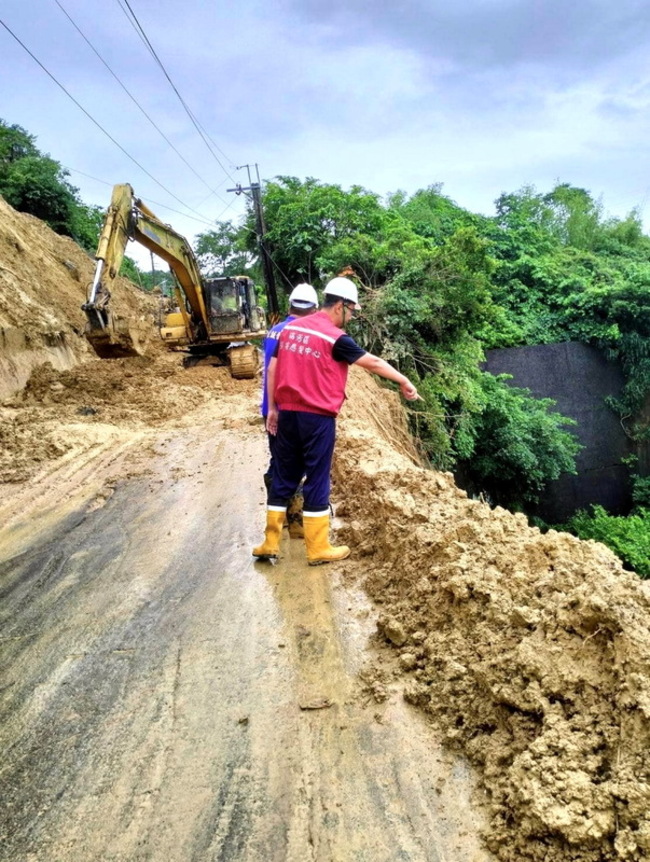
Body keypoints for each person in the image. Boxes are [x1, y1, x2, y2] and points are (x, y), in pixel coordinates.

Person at [253, 276, 420, 565]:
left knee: (283, 475)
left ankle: (270, 542)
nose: (352, 317)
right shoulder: (334, 337)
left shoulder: (290, 330)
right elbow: (374, 363)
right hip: (316, 417)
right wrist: (404, 381)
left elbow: (273, 367)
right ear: (340, 306)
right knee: (317, 476)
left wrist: (274, 409)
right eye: (352, 311)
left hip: (287, 413)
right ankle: (318, 547)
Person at [261, 284, 318, 511]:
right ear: (314, 309)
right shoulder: (303, 335)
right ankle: (292, 515)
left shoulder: (273, 330)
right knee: (295, 464)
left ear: (289, 306)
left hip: (270, 406)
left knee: (279, 458)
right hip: (291, 408)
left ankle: (275, 500)